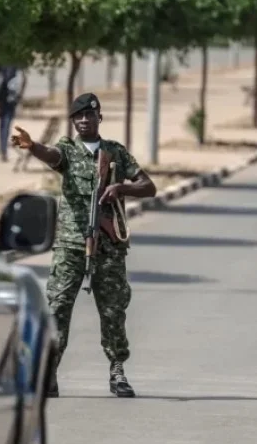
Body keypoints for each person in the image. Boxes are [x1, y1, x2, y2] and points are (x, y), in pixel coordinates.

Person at [10, 93, 157, 398]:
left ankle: (117, 371)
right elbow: (53, 157)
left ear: (99, 118)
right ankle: (48, 372)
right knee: (58, 307)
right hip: (71, 244)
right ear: (73, 120)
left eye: (90, 115)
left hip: (109, 245)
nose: (84, 120)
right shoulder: (68, 149)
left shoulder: (115, 152)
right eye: (79, 116)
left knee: (113, 310)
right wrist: (33, 146)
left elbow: (149, 186)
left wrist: (121, 187)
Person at [0, 65, 25, 162]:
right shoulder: (13, 66)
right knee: (6, 124)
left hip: (2, 98)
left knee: (3, 124)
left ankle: (2, 149)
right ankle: (3, 150)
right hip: (8, 99)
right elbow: (19, 81)